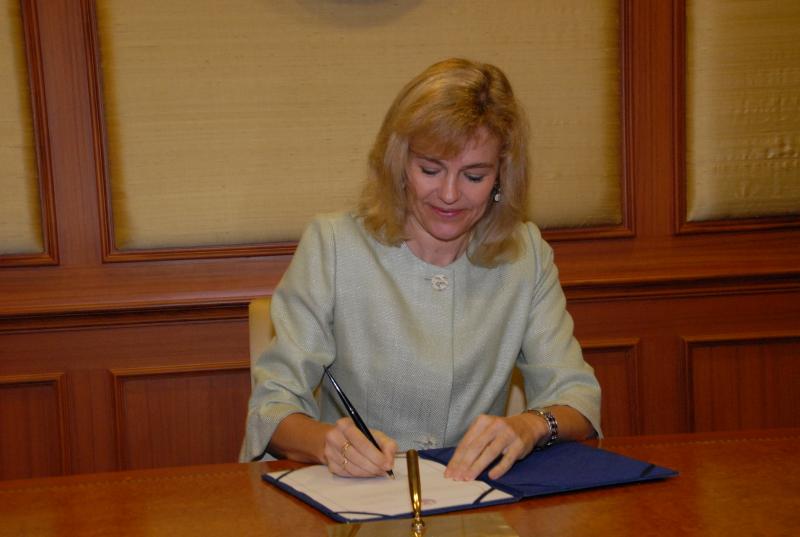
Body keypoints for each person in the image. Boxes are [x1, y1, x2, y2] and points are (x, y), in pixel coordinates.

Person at [242, 58, 601, 481]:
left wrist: (530, 426)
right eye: (430, 170)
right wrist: (327, 443)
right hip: (355, 495)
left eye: (474, 176)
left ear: (502, 175)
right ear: (399, 164)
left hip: (473, 498)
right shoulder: (335, 245)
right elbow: (272, 406)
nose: (449, 194)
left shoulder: (526, 256)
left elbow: (578, 397)